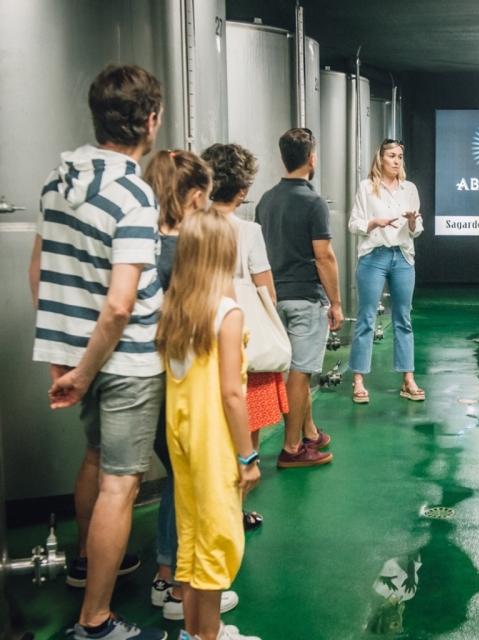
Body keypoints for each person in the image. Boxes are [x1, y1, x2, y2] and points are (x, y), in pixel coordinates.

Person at [28, 65, 166, 639]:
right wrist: (85, 372)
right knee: (120, 482)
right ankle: (96, 622)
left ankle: (85, 565)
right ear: (150, 120)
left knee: (94, 457)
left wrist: (69, 355)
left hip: (84, 356)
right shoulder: (134, 193)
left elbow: (40, 270)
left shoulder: (57, 182)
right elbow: (119, 304)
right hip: (128, 360)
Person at [156, 208, 261, 640]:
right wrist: (248, 455)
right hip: (215, 440)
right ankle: (207, 636)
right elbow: (232, 394)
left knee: (193, 536)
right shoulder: (226, 313)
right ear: (226, 253)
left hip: (181, 438)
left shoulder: (176, 309)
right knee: (219, 540)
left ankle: (199, 632)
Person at [143, 150, 239, 620]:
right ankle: (187, 593)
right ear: (195, 195)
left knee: (178, 485)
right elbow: (229, 387)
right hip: (191, 400)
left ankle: (173, 582)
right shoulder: (185, 251)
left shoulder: (140, 241)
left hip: (158, 380)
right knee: (197, 497)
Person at [201, 143, 288, 515]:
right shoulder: (248, 230)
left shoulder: (192, 226)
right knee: (246, 422)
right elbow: (265, 288)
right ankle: (235, 511)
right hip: (240, 338)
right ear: (243, 190)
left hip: (199, 336)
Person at [256, 128, 341, 468]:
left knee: (297, 369)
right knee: (301, 371)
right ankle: (293, 449)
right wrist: (335, 302)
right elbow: (324, 256)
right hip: (305, 298)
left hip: (273, 298)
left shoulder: (266, 200)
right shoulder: (313, 202)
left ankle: (308, 432)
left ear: (282, 158)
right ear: (312, 158)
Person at [348, 140, 425, 403]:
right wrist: (373, 223)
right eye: (391, 155)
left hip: (402, 257)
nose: (396, 161)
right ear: (380, 158)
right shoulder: (366, 188)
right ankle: (358, 380)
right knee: (366, 318)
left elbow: (417, 229)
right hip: (374, 256)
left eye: (400, 156)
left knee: (404, 318)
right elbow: (353, 223)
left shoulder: (409, 189)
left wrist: (414, 223)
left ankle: (408, 380)